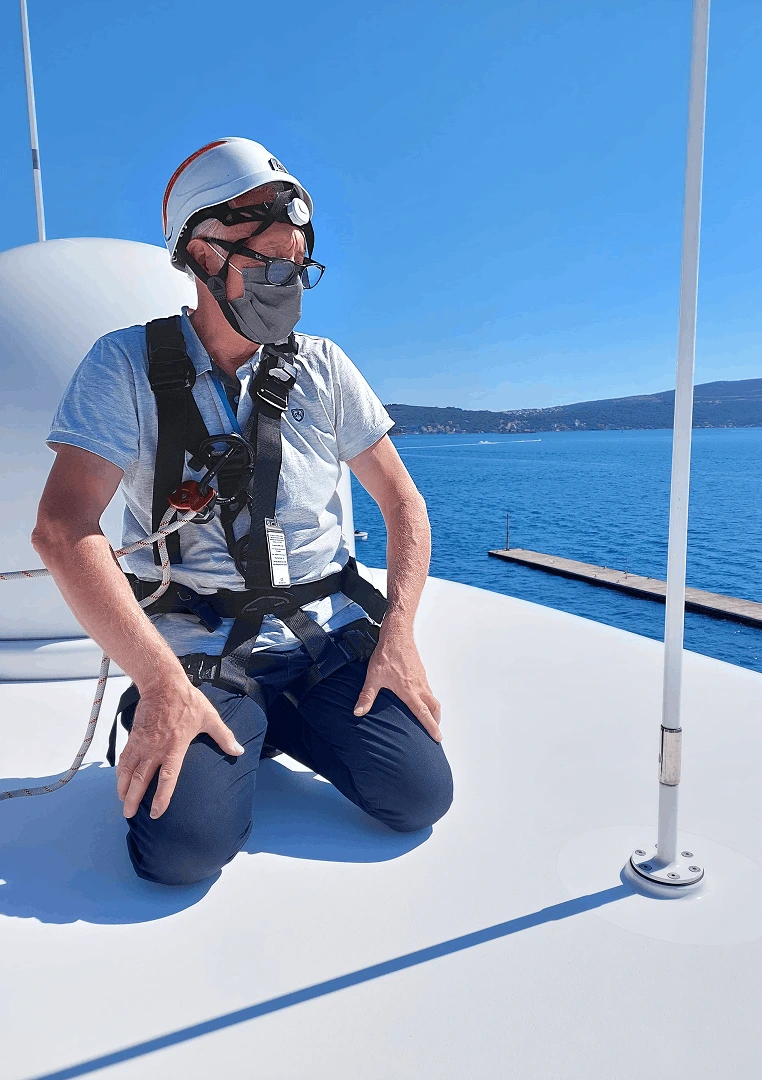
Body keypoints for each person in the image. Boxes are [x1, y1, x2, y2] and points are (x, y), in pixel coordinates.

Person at [32, 137, 453, 886]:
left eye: (295, 267)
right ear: (200, 253)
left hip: (323, 640)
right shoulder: (123, 366)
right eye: (264, 265)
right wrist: (160, 684)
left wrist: (398, 638)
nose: (283, 283)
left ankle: (275, 721)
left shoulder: (324, 366)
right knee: (182, 853)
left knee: (417, 795)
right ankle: (205, 716)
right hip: (201, 651)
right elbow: (64, 530)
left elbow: (403, 503)